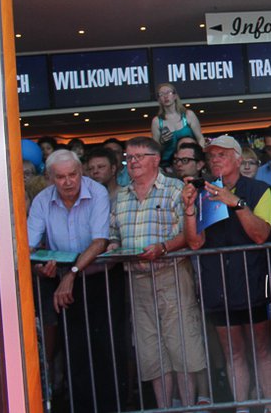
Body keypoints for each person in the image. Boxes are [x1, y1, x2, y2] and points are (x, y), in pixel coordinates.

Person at [180, 135, 271, 412]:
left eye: (221, 155)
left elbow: (261, 235)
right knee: (232, 352)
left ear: (238, 158)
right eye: (211, 156)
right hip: (218, 285)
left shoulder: (260, 189)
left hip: (254, 281)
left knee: (262, 349)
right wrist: (189, 210)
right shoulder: (203, 193)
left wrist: (235, 203)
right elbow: (195, 242)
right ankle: (242, 407)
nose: (214, 160)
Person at [108, 137, 208, 409]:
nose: (133, 162)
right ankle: (165, 408)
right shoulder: (122, 196)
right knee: (151, 351)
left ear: (155, 159)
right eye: (130, 157)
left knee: (182, 345)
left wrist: (163, 248)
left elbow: (189, 235)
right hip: (137, 281)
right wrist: (115, 246)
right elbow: (114, 233)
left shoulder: (176, 190)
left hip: (172, 275)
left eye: (139, 156)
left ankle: (187, 406)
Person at [27, 149, 113, 412]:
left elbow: (100, 241)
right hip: (59, 276)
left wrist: (72, 274)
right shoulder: (42, 200)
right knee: (71, 347)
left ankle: (109, 406)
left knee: (102, 347)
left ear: (81, 172)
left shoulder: (97, 192)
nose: (68, 182)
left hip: (97, 278)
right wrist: (41, 268)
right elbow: (29, 248)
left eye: (73, 175)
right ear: (50, 177)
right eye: (60, 177)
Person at [150, 82, 205, 166]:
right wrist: (162, 143)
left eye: (169, 92)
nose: (165, 96)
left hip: (189, 163)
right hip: (167, 165)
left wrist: (198, 157)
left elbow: (200, 138)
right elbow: (155, 150)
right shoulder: (157, 121)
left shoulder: (188, 115)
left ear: (175, 96)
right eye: (161, 94)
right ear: (159, 100)